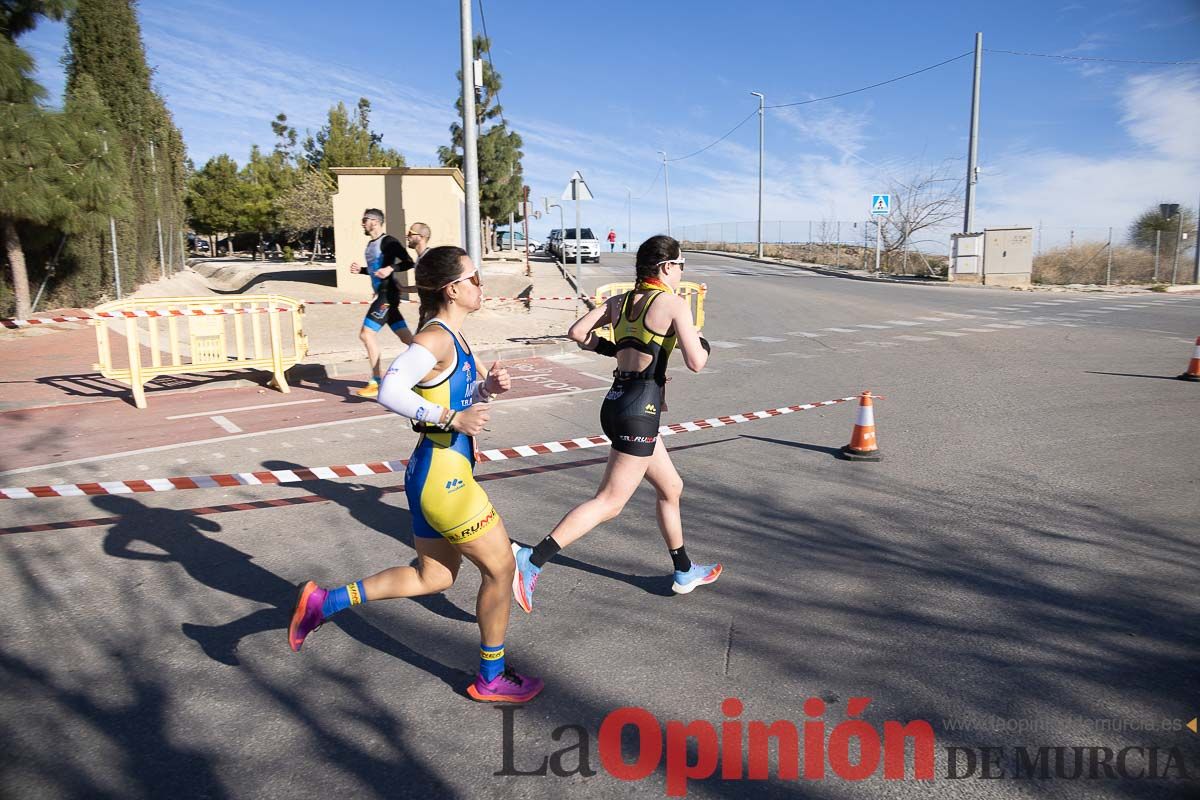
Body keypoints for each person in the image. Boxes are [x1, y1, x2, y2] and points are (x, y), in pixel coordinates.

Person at [289, 245, 544, 703]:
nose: (480, 285)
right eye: (475, 277)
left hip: (432, 472)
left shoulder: (454, 336)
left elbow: (450, 394)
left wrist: (486, 389)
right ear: (453, 288)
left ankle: (324, 603)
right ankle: (491, 676)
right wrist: (449, 418)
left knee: (435, 577)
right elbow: (390, 390)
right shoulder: (434, 339)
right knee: (502, 568)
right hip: (444, 480)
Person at [511, 235, 720, 612]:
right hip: (639, 412)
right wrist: (703, 343)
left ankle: (684, 569)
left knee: (671, 487)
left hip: (618, 403)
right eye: (681, 265)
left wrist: (611, 348)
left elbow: (577, 333)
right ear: (667, 267)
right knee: (609, 502)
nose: (682, 272)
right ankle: (531, 559)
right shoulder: (672, 303)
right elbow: (696, 362)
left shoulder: (619, 301)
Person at [350, 209, 415, 399]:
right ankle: (431, 364)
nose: (362, 223)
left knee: (366, 334)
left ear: (375, 222)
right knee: (407, 339)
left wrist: (390, 268)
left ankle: (376, 381)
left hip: (387, 296)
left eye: (365, 220)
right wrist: (361, 270)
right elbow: (374, 271)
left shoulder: (388, 241)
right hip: (384, 295)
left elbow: (408, 262)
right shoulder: (370, 245)